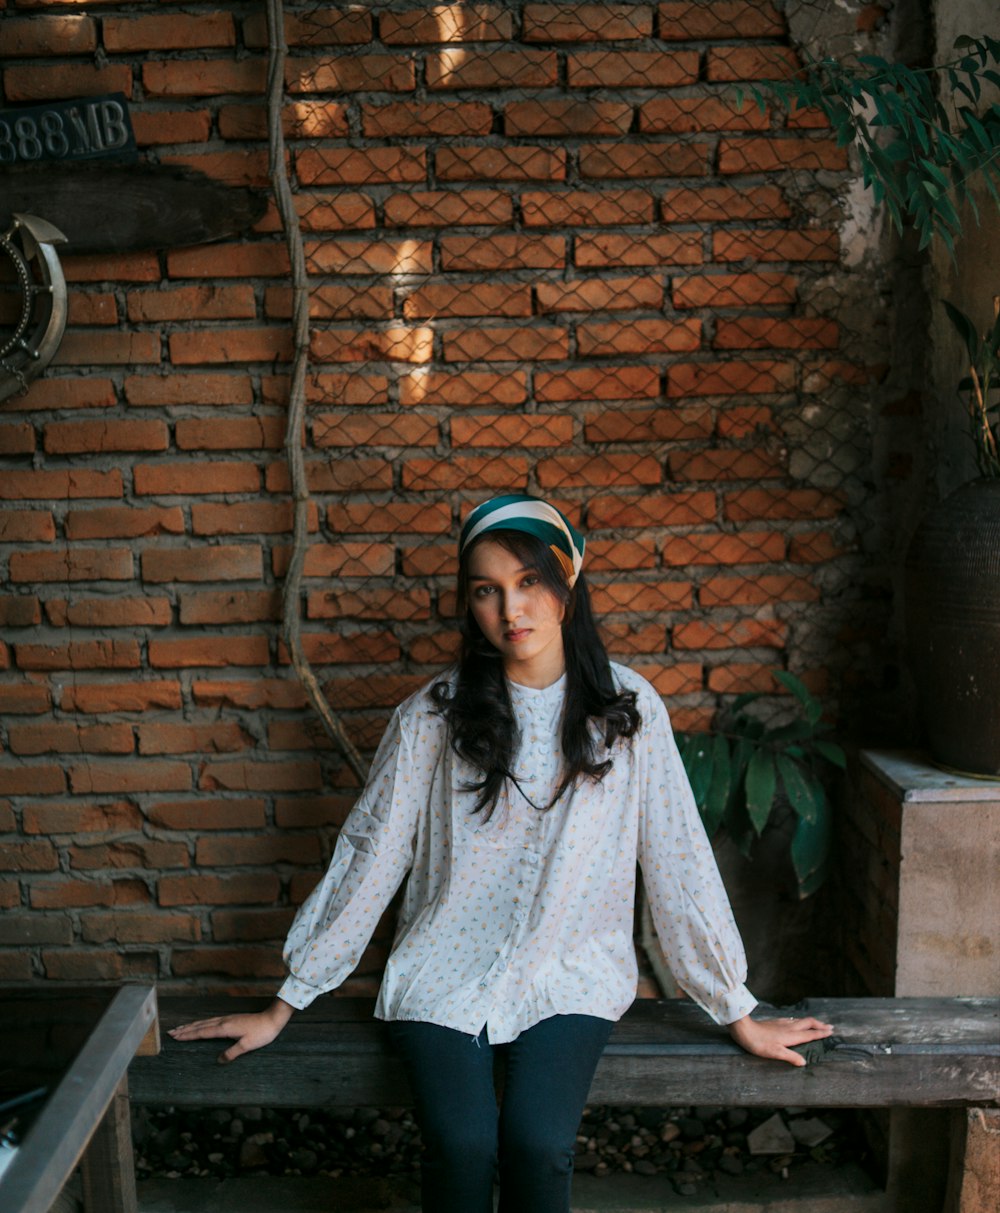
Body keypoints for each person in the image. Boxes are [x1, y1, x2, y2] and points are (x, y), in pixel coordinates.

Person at [171, 494, 833, 1213]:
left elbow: (677, 857)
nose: (509, 608)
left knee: (537, 1143)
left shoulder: (628, 710)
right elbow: (371, 852)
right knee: (461, 1144)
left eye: (527, 582)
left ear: (567, 587)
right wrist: (287, 1000)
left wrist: (735, 1008)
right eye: (486, 590)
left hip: (570, 968)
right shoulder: (433, 714)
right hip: (442, 968)